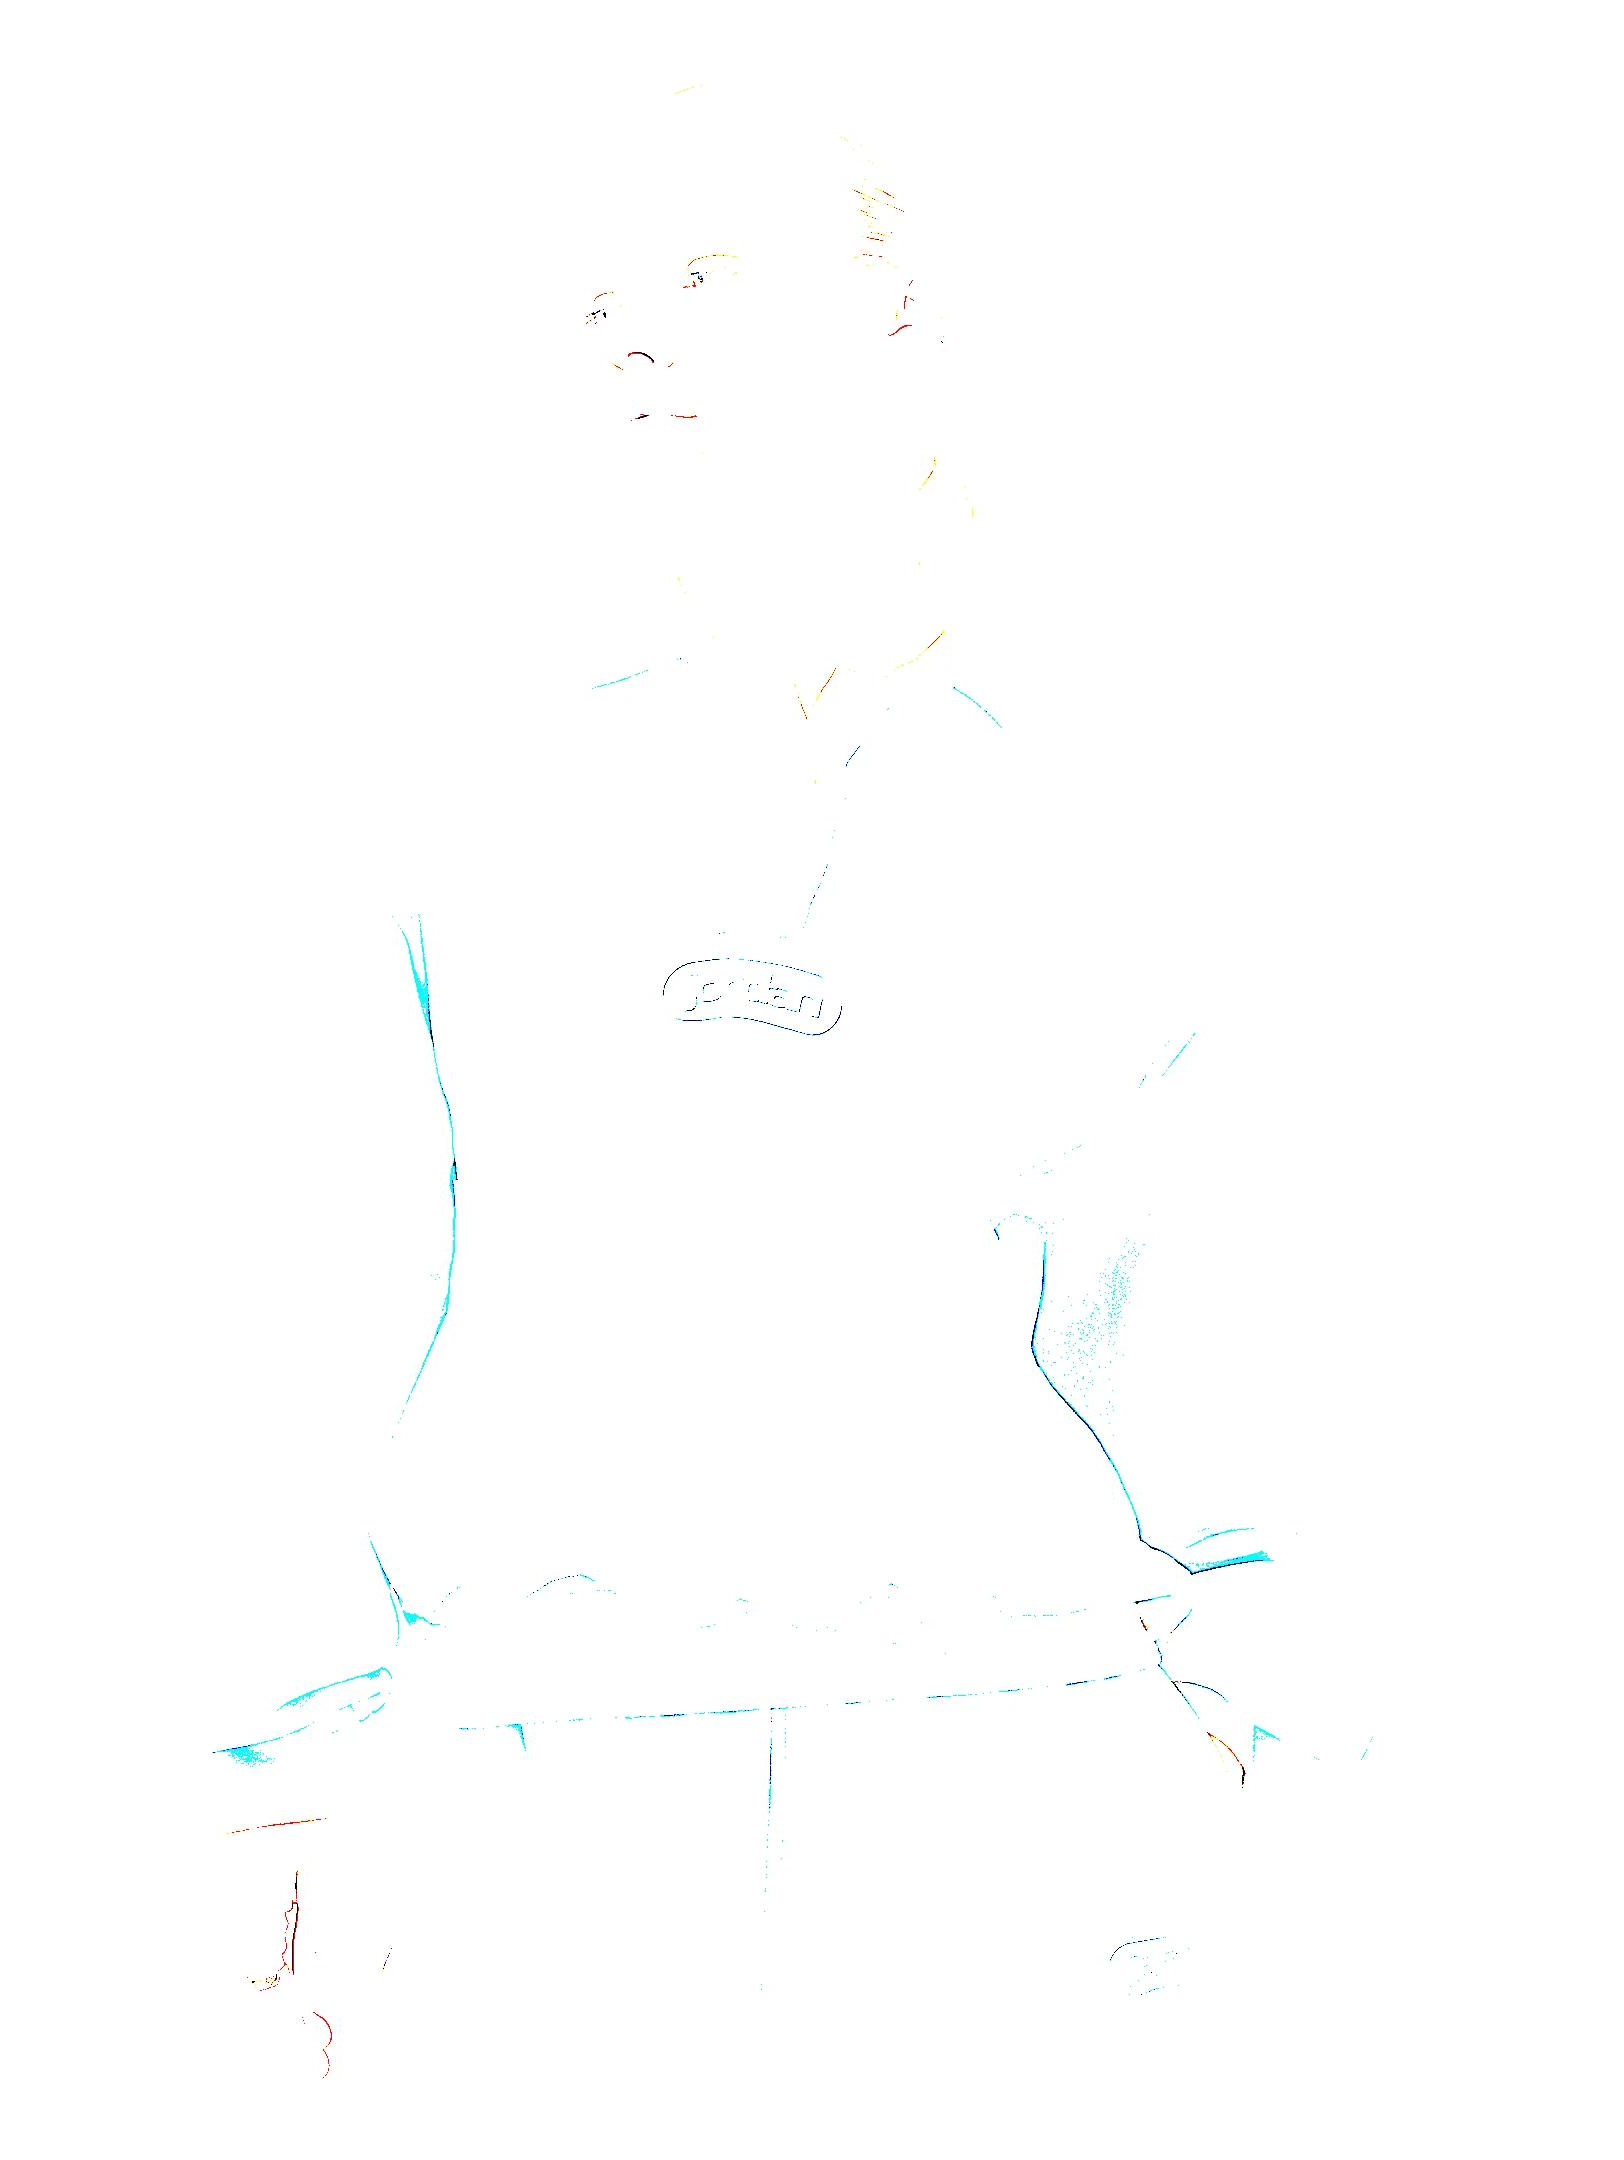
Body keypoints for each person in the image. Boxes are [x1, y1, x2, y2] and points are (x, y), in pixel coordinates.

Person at [208, 75, 1270, 2099]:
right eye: (600, 304)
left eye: (705, 276)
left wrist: (1261, 1713)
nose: (637, 337)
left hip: (1022, 1752)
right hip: (538, 1769)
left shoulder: (1098, 797)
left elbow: (1203, 1293)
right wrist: (278, 1762)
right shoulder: (447, 783)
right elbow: (315, 1279)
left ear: (899, 316)